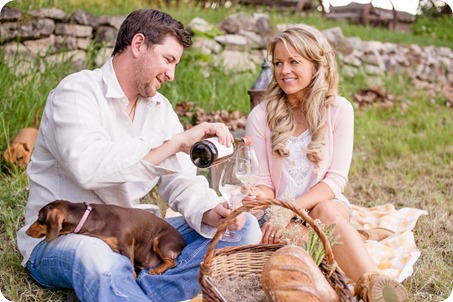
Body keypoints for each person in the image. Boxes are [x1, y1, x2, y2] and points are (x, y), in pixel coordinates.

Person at [16, 9, 261, 302]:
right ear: (138, 44)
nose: (171, 74)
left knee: (242, 231)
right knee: (100, 255)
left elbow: (183, 182)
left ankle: (125, 291)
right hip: (65, 236)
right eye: (168, 60)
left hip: (134, 238)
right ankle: (116, 283)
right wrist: (174, 143)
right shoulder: (76, 92)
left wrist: (212, 212)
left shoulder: (160, 109)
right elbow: (89, 167)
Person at [244, 25, 407, 302]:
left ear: (317, 64)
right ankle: (355, 238)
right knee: (298, 241)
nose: (284, 71)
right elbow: (264, 183)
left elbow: (335, 180)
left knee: (325, 211)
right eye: (278, 63)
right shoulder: (261, 115)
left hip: (324, 206)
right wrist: (259, 198)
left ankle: (373, 284)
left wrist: (293, 208)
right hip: (278, 217)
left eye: (295, 61)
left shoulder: (339, 109)